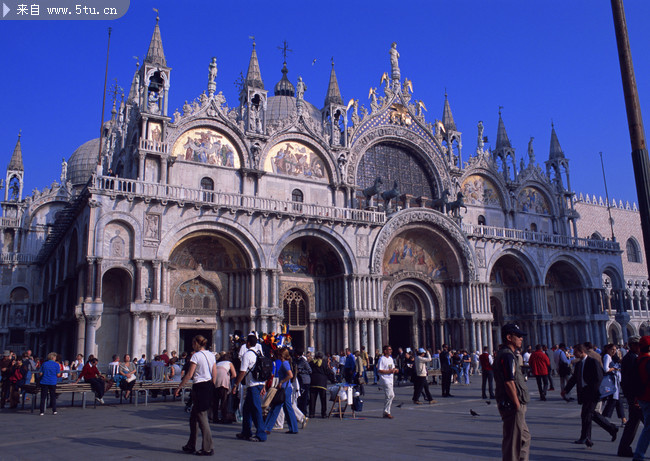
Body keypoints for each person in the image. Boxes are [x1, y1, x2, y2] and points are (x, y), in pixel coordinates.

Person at [561, 343, 618, 447]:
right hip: (584, 392)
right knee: (591, 414)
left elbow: (599, 378)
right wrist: (566, 389)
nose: (574, 354)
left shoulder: (592, 362)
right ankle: (611, 428)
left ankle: (586, 438)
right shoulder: (578, 364)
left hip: (593, 392)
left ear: (581, 352)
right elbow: (574, 379)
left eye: (575, 352)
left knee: (586, 414)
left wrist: (595, 392)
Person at [175, 335, 217, 456]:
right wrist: (211, 386)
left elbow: (189, 374)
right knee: (194, 418)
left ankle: (208, 448)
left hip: (199, 387)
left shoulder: (196, 356)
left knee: (202, 417)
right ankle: (191, 445)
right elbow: (214, 373)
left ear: (196, 343)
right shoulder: (211, 355)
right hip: (208, 386)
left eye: (193, 344)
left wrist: (179, 387)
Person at [494, 323, 530, 461]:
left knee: (524, 438)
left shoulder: (509, 355)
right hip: (512, 404)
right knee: (513, 442)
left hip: (515, 403)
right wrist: (516, 403)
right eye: (518, 336)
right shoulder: (507, 356)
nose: (521, 339)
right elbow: (509, 381)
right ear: (509, 337)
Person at [233, 334, 268, 442]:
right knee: (246, 409)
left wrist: (235, 384)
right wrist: (264, 385)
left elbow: (242, 371)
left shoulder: (247, 355)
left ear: (248, 343)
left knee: (256, 409)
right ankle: (246, 432)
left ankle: (261, 435)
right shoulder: (259, 353)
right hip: (260, 383)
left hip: (253, 385)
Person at [264, 347, 299, 434]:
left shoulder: (284, 364)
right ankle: (294, 428)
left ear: (281, 355)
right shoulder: (286, 363)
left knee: (276, 407)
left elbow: (290, 375)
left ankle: (267, 427)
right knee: (288, 408)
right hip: (287, 388)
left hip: (284, 388)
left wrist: (281, 382)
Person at [618, 335, 642, 457]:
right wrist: (634, 398)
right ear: (633, 345)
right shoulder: (631, 359)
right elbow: (632, 380)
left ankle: (623, 448)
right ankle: (624, 448)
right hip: (635, 398)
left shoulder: (631, 357)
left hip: (633, 398)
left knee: (632, 423)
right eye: (638, 345)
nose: (640, 348)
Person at [632, 336, 650, 460]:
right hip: (648, 397)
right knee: (648, 429)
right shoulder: (648, 360)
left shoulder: (638, 359)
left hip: (642, 397)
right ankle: (638, 455)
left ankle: (639, 454)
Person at [309, 351, 335, 418]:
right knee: (323, 399)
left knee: (312, 399)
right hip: (322, 383)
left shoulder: (311, 363)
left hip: (313, 382)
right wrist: (333, 380)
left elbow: (308, 371)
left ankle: (311, 413)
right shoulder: (324, 364)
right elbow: (329, 372)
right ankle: (323, 413)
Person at [213, 352, 236, 424]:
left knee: (216, 401)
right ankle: (224, 417)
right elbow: (234, 375)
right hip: (223, 380)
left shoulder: (217, 363)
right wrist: (229, 378)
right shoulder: (229, 363)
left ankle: (215, 417)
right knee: (224, 400)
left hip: (215, 380)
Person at [377, 345, 398, 419]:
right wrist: (389, 371)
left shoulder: (391, 359)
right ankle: (387, 412)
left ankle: (385, 412)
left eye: (391, 349)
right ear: (385, 351)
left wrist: (395, 370)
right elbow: (379, 370)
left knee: (388, 396)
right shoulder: (381, 359)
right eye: (389, 349)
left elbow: (392, 367)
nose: (390, 350)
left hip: (390, 379)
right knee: (391, 395)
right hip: (385, 379)